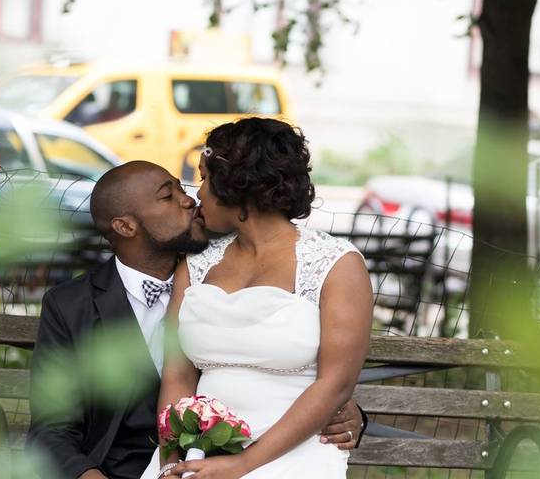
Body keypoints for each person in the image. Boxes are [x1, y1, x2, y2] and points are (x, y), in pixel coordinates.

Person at [27, 160, 367, 479]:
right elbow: (51, 429)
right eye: (168, 196)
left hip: (218, 461)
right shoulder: (71, 306)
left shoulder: (218, 277)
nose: (189, 200)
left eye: (182, 188)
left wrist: (349, 413)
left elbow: (269, 363)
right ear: (125, 226)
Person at [144, 118, 373, 479]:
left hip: (294, 450)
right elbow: (177, 376)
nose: (197, 194)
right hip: (197, 451)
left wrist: (242, 465)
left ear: (237, 188)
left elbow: (335, 385)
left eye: (205, 179)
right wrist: (173, 461)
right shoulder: (197, 265)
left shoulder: (337, 265)